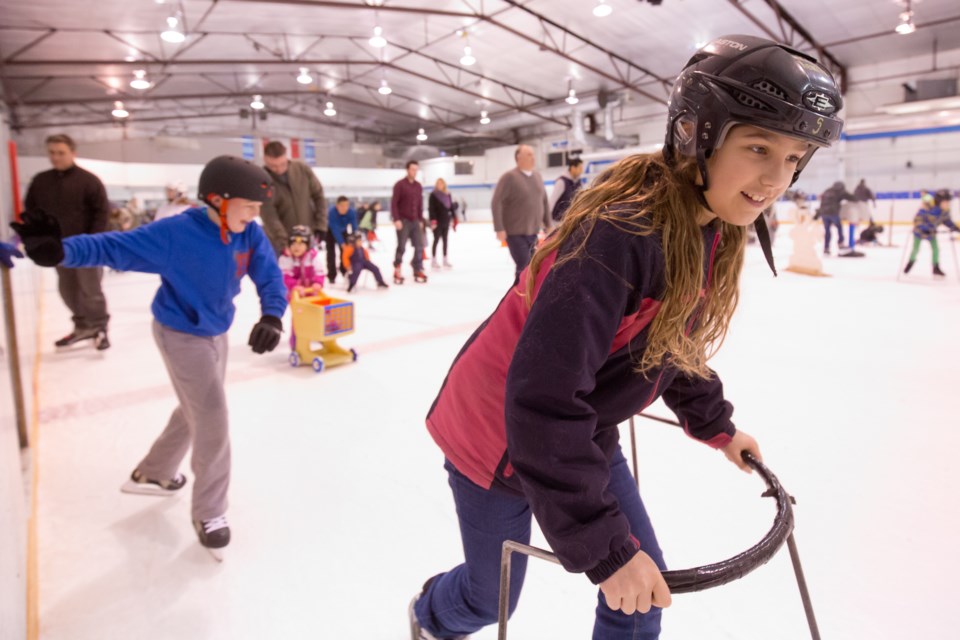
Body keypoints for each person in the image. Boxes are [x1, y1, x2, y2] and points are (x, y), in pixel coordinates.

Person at [408, 34, 843, 640]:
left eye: (794, 158)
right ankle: (430, 616)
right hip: (497, 440)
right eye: (759, 147)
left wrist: (715, 424)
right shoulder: (619, 235)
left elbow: (671, 344)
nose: (777, 178)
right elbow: (541, 400)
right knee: (489, 601)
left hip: (575, 429)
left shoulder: (709, 224)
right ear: (699, 135)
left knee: (642, 597)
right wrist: (604, 546)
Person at [11, 155, 287, 557]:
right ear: (217, 200)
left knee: (194, 409)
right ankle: (209, 511)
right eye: (249, 206)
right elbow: (113, 246)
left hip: (216, 331)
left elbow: (269, 274)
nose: (255, 214)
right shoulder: (176, 234)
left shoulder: (248, 233)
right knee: (212, 418)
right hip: (180, 334)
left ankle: (153, 472)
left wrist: (272, 314)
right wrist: (59, 251)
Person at [24, 133, 112, 350]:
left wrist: (94, 243)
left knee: (91, 290)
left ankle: (98, 327)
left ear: (73, 153)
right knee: (68, 289)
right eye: (52, 153)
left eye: (60, 153)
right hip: (58, 249)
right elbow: (31, 211)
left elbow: (101, 213)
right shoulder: (40, 181)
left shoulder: (89, 181)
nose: (55, 157)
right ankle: (82, 325)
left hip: (87, 249)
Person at [492, 144, 551, 285]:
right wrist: (499, 228)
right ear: (519, 158)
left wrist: (548, 224)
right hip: (514, 232)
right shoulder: (509, 177)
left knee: (533, 266)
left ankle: (527, 294)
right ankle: (519, 297)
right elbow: (497, 202)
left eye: (533, 154)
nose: (533, 158)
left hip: (533, 232)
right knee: (524, 265)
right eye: (529, 154)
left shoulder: (537, 176)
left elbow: (544, 201)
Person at [259, 141, 328, 256]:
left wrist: (321, 225)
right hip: (279, 242)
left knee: (309, 272)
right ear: (265, 160)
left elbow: (319, 196)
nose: (279, 169)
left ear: (287, 157)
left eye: (282, 164)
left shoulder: (302, 169)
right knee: (283, 273)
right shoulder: (262, 180)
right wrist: (284, 242)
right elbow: (269, 215)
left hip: (306, 238)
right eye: (273, 166)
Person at [278, 225, 326, 349]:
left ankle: (319, 334)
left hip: (312, 295)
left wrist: (317, 283)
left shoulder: (313, 256)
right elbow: (284, 276)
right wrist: (295, 286)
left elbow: (320, 272)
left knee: (316, 315)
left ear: (308, 244)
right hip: (296, 296)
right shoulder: (286, 258)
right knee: (299, 318)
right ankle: (296, 342)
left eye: (301, 243)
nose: (296, 247)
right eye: (293, 243)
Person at [904, 189, 958, 277]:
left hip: (932, 233)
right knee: (916, 249)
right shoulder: (928, 206)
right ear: (939, 201)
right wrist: (924, 228)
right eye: (946, 202)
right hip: (919, 232)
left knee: (936, 249)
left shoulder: (945, 210)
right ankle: (910, 262)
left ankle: (935, 267)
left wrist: (954, 227)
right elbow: (917, 219)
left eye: (948, 202)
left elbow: (946, 220)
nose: (948, 204)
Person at [391, 160, 427, 284]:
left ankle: (417, 267)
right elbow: (394, 203)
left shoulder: (418, 186)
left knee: (419, 245)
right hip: (403, 220)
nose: (414, 172)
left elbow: (420, 205)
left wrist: (421, 219)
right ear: (407, 170)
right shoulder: (400, 185)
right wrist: (396, 219)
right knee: (401, 246)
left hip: (415, 220)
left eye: (416, 169)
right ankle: (397, 268)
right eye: (412, 169)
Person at [816, 181, 855, 255]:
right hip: (833, 213)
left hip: (824, 214)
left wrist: (819, 213)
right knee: (839, 228)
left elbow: (822, 201)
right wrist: (857, 198)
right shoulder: (840, 191)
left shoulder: (827, 190)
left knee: (827, 231)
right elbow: (851, 197)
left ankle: (826, 248)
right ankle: (840, 243)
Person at [326, 196, 359, 285]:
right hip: (330, 231)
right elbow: (335, 229)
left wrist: (356, 239)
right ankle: (331, 275)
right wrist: (342, 243)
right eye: (342, 206)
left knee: (345, 253)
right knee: (331, 253)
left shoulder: (351, 212)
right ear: (337, 206)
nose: (345, 208)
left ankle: (344, 271)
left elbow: (354, 226)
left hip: (343, 231)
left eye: (347, 205)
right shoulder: (332, 212)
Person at [428, 178, 458, 269]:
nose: (439, 185)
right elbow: (431, 208)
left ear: (444, 184)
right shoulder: (433, 195)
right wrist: (433, 220)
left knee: (445, 240)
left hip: (446, 220)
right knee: (436, 240)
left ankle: (445, 260)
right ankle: (433, 260)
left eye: (441, 183)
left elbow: (450, 207)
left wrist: (454, 217)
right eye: (438, 183)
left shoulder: (448, 195)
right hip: (437, 221)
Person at [549, 157, 585, 222]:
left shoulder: (578, 182)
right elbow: (552, 201)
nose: (581, 171)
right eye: (580, 168)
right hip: (557, 221)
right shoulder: (561, 182)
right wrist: (547, 222)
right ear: (573, 168)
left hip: (569, 220)